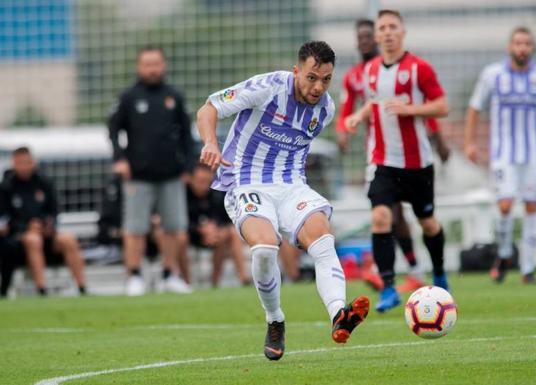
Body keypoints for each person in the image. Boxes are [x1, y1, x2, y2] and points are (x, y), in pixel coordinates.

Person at [197, 41, 369, 361]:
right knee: (264, 249)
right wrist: (210, 142)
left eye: (326, 79)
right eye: (311, 77)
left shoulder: (326, 110)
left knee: (322, 238)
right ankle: (275, 320)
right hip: (246, 181)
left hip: (291, 186)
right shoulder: (268, 87)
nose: (318, 87)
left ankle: (338, 315)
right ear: (296, 71)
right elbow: (208, 108)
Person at [345, 9, 450, 313]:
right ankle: (389, 288)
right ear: (377, 36)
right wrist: (357, 116)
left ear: (402, 32)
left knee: (427, 223)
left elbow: (442, 106)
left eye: (393, 27)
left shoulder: (420, 69)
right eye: (383, 28)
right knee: (381, 218)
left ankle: (440, 273)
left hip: (417, 163)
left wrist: (411, 110)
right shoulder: (369, 72)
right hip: (382, 160)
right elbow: (373, 103)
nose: (388, 32)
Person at [464, 26, 536, 284]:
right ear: (509, 47)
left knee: (532, 206)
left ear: (532, 48)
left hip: (534, 154)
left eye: (526, 43)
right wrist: (469, 143)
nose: (522, 48)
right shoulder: (493, 75)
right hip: (503, 154)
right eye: (517, 43)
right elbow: (473, 108)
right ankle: (503, 255)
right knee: (504, 204)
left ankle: (528, 269)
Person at [108, 45, 194, 296]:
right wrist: (119, 159)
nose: (152, 69)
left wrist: (188, 166)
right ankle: (134, 276)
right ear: (139, 66)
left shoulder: (174, 96)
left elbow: (187, 136)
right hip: (138, 175)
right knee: (135, 228)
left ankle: (170, 274)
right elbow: (113, 131)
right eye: (147, 64)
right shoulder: (129, 97)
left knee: (173, 227)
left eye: (156, 63)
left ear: (163, 65)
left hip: (171, 174)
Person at [1, 147, 86, 296]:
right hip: (21, 239)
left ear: (33, 162)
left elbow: (54, 212)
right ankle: (42, 289)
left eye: (27, 162)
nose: (24, 167)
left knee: (68, 239)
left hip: (46, 235)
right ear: (13, 163)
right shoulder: (7, 187)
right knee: (33, 240)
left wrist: (48, 225)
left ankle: (82, 287)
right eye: (20, 163)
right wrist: (26, 227)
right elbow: (5, 220)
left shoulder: (44, 183)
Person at [179, 163, 251, 287]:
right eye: (200, 181)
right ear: (191, 179)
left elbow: (227, 219)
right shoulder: (182, 196)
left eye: (207, 182)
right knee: (180, 237)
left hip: (214, 235)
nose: (204, 186)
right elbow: (178, 222)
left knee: (229, 233)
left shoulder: (217, 194)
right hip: (191, 234)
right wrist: (199, 229)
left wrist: (214, 229)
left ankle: (234, 279)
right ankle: (186, 283)